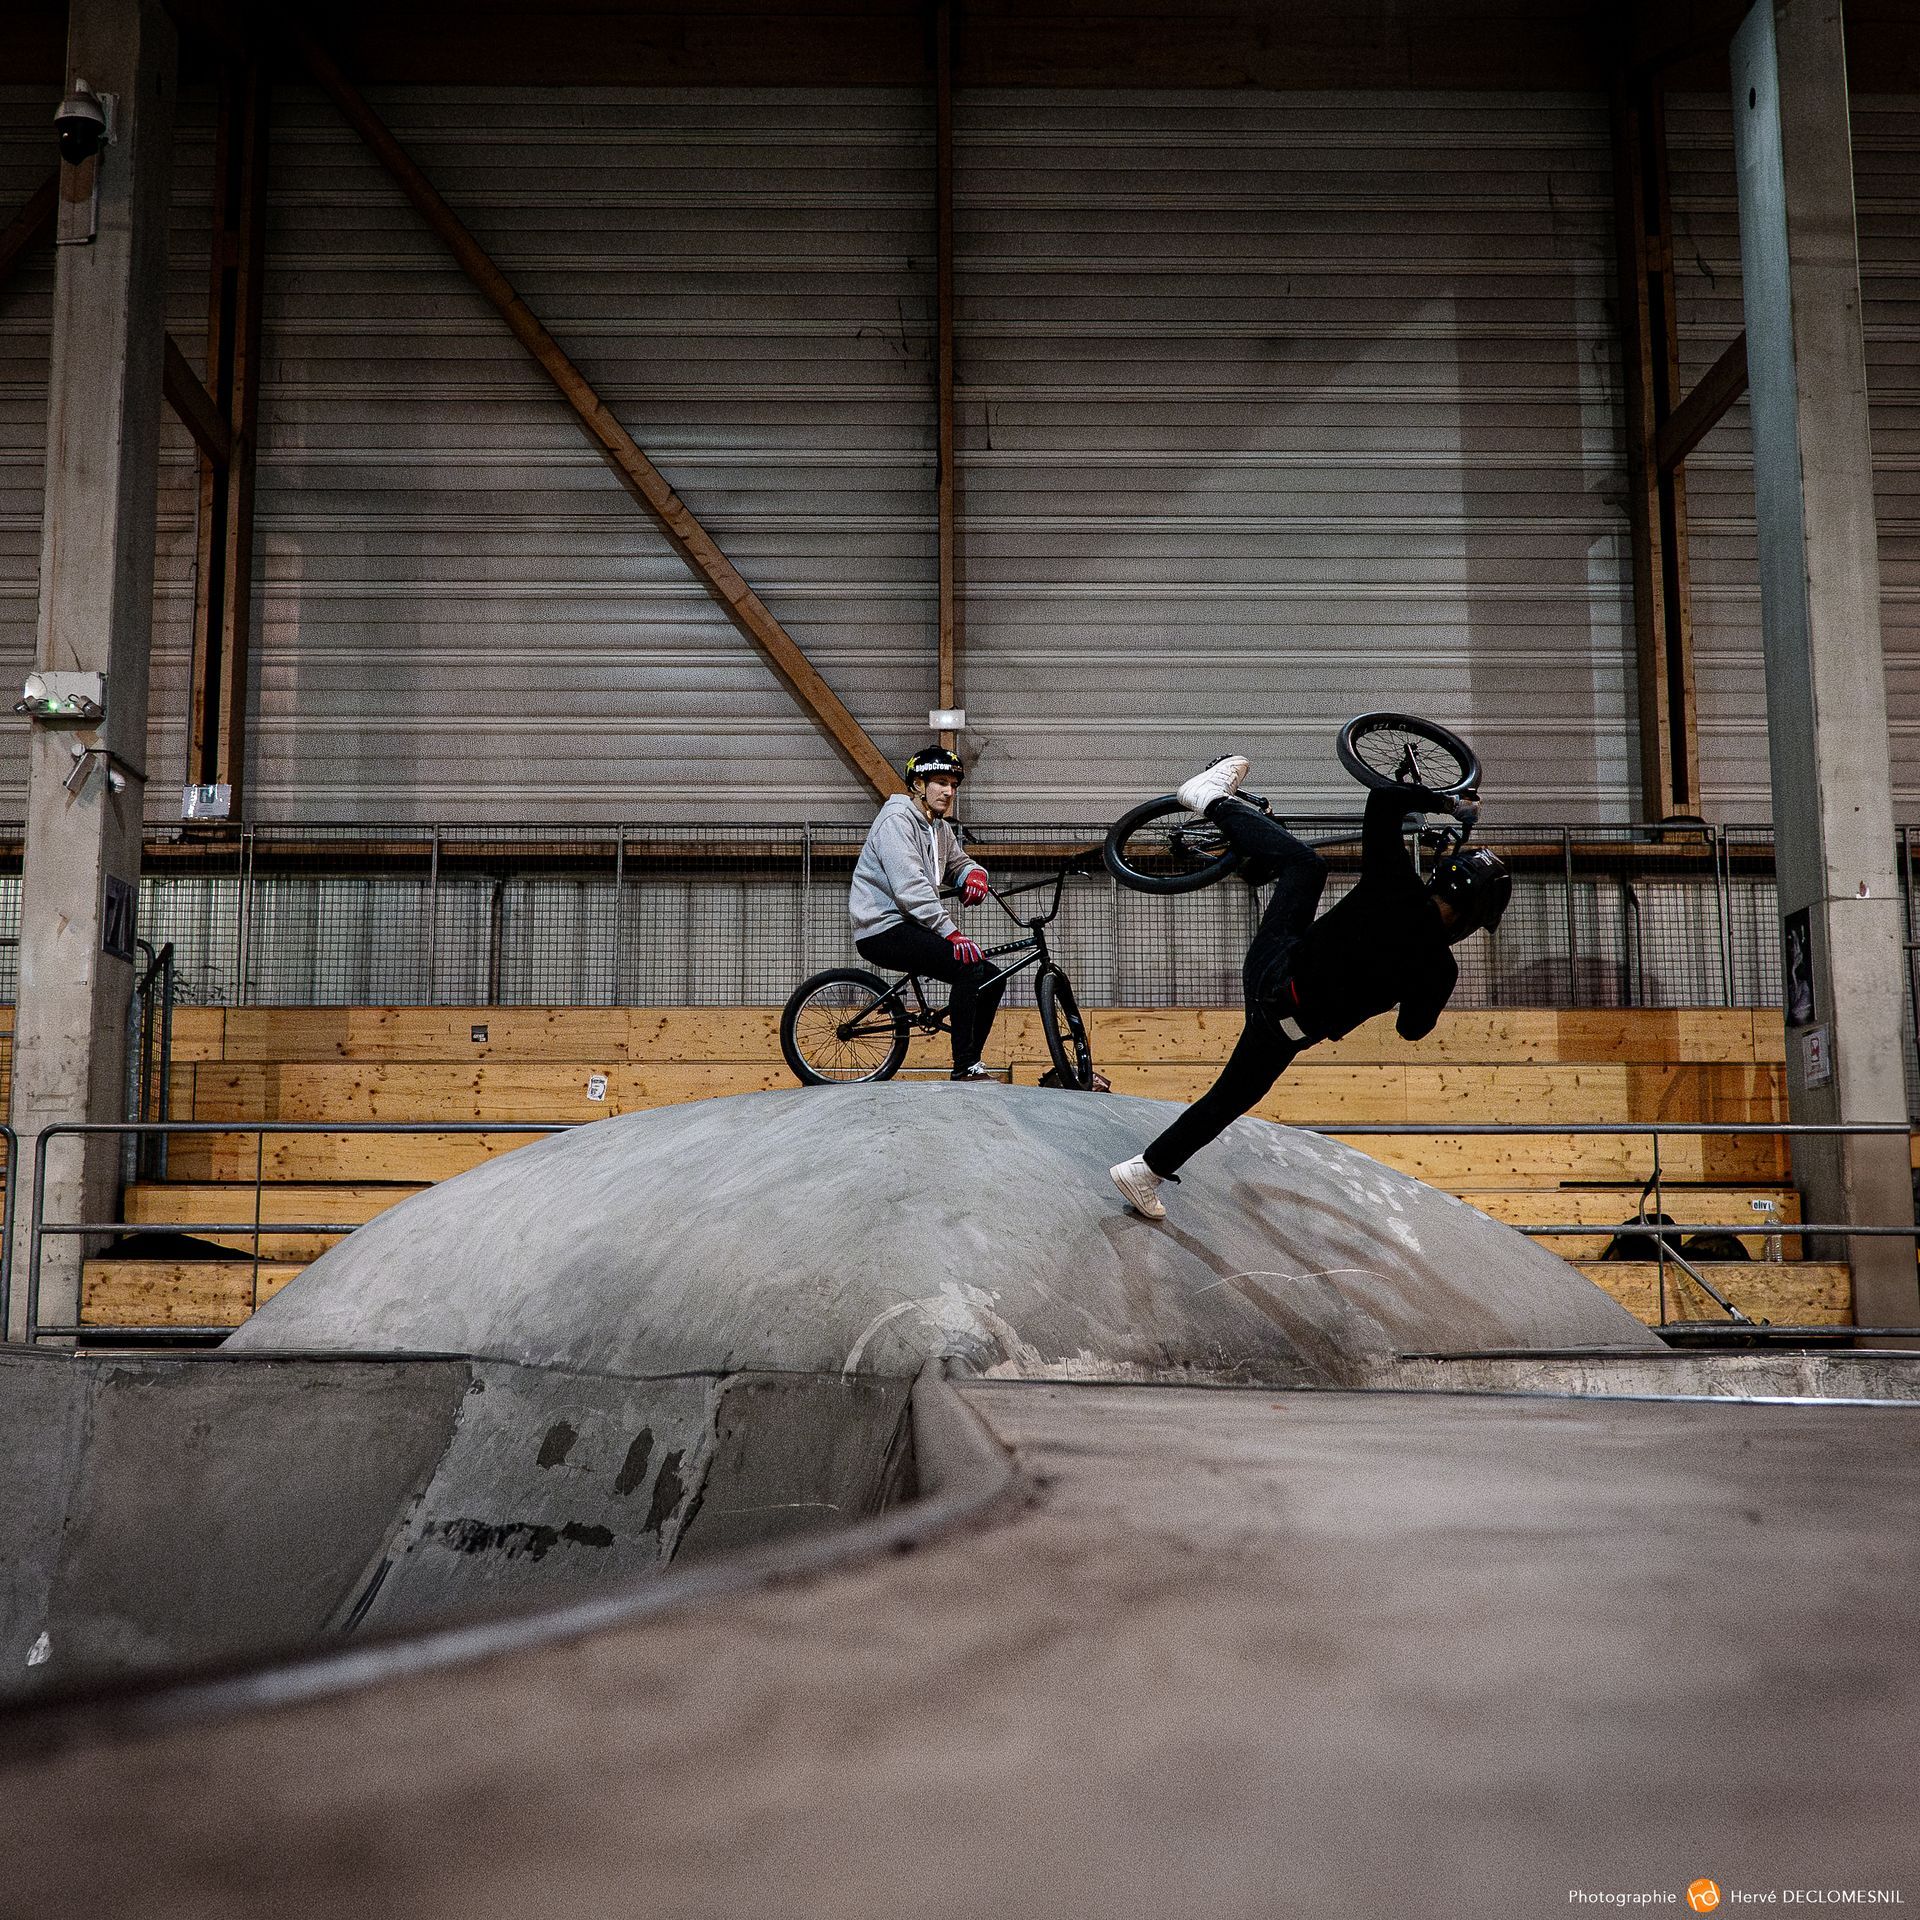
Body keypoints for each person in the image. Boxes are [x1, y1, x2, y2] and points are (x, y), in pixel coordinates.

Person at [1109, 753, 1511, 1218]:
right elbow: (1412, 1030)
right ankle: (1146, 1170)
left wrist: (1448, 803)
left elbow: (1385, 799)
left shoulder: (1394, 883)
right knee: (1230, 1098)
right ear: (1472, 918)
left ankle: (1216, 803)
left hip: (1271, 965)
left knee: (1305, 866)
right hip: (1286, 1026)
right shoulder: (1440, 970)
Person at [848, 745, 1006, 1081]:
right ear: (918, 784)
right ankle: (964, 1067)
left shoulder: (939, 828)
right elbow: (911, 888)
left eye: (953, 785)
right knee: (968, 968)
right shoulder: (896, 821)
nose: (949, 792)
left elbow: (958, 863)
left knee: (992, 978)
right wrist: (951, 932)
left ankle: (972, 1059)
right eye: (941, 783)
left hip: (911, 925)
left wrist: (974, 875)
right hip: (883, 928)